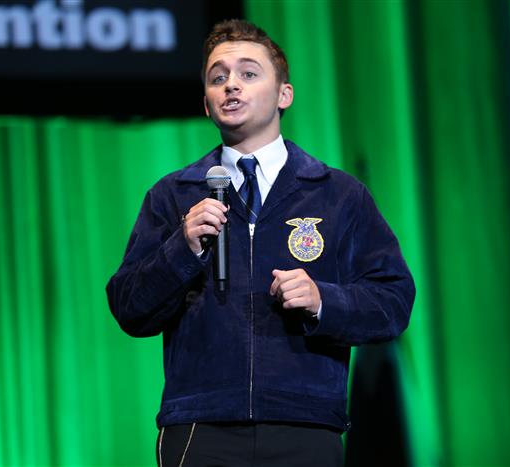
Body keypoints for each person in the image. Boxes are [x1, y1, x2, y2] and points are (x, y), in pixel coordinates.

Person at [106, 18, 414, 467]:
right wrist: (182, 248)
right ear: (206, 105)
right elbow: (129, 307)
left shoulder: (337, 194)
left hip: (304, 424)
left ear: (284, 94)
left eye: (248, 73)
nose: (231, 85)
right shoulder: (174, 195)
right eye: (218, 78)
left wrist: (322, 300)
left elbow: (393, 300)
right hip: (201, 425)